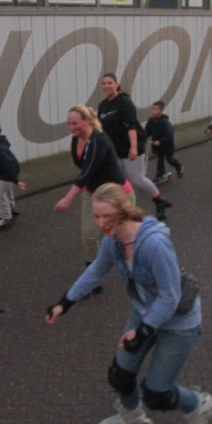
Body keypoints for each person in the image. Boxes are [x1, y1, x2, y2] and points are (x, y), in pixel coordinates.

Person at [44, 183, 212, 424]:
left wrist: (143, 332)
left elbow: (170, 297)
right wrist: (65, 302)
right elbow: (95, 271)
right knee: (120, 374)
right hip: (147, 311)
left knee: (156, 393)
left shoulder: (154, 244)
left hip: (178, 323)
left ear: (123, 211)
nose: (101, 223)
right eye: (96, 216)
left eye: (107, 216)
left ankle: (198, 405)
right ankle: (132, 417)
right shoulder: (113, 242)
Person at [54, 105, 134, 294]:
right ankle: (92, 280)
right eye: (68, 124)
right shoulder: (76, 138)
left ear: (87, 121)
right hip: (93, 193)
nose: (71, 127)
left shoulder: (99, 141)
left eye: (75, 123)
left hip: (117, 195)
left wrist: (67, 199)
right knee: (89, 235)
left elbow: (86, 172)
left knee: (124, 237)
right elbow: (83, 168)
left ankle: (136, 272)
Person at [98, 74, 172, 220]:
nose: (106, 86)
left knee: (138, 179)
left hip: (131, 147)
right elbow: (102, 129)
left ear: (116, 84)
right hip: (115, 150)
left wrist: (133, 148)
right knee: (115, 180)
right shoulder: (103, 106)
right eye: (104, 83)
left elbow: (131, 125)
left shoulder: (124, 102)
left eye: (110, 83)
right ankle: (122, 210)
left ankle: (159, 201)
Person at [145, 101, 183, 185]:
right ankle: (160, 175)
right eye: (152, 109)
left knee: (169, 159)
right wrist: (142, 137)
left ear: (161, 110)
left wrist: (160, 141)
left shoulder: (165, 123)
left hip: (167, 146)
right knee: (160, 160)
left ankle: (179, 166)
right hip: (158, 146)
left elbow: (169, 135)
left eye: (155, 109)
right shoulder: (151, 121)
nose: (153, 111)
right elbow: (147, 132)